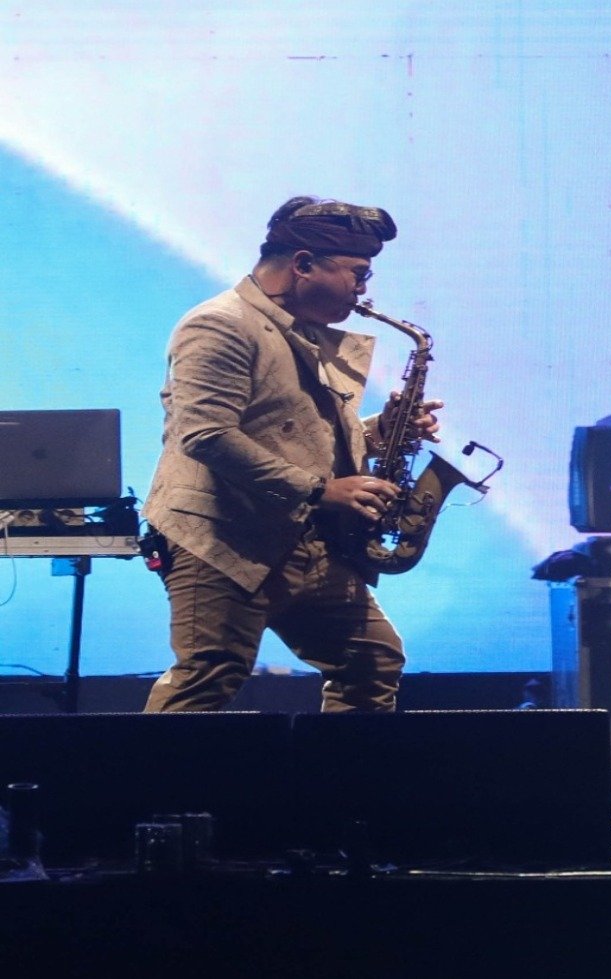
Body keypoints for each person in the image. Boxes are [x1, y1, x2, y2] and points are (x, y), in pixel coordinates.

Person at [143, 196, 442, 713]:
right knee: (208, 678)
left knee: (371, 660)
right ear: (303, 264)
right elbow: (205, 433)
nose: (363, 290)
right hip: (222, 539)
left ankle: (339, 793)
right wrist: (320, 490)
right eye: (357, 273)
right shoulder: (218, 324)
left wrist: (383, 431)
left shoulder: (301, 331)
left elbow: (296, 434)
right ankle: (148, 797)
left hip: (302, 538)